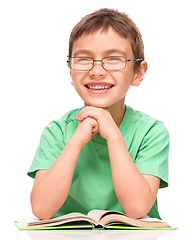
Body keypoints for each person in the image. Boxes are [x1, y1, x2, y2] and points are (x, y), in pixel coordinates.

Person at [28, 8, 169, 220]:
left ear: (138, 73)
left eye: (113, 59)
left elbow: (137, 208)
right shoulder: (57, 131)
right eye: (84, 59)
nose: (96, 71)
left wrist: (113, 135)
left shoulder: (151, 131)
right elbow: (41, 209)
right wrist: (77, 140)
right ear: (70, 71)